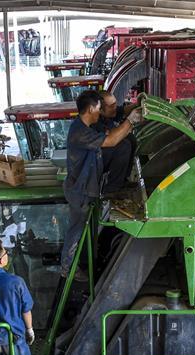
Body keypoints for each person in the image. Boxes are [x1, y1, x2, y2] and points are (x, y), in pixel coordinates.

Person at [60, 89, 142, 280]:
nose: (100, 112)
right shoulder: (80, 133)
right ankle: (67, 268)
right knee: (77, 230)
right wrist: (131, 121)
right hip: (80, 191)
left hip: (87, 187)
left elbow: (116, 133)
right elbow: (112, 140)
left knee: (86, 229)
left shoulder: (88, 126)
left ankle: (87, 260)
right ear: (90, 109)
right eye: (98, 109)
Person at [95, 90, 143, 194]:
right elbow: (112, 140)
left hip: (105, 154)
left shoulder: (109, 113)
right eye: (112, 106)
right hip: (95, 161)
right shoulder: (95, 122)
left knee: (130, 139)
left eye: (115, 104)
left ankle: (123, 180)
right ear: (100, 110)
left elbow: (122, 110)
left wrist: (138, 104)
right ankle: (112, 189)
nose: (115, 108)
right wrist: (130, 120)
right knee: (123, 146)